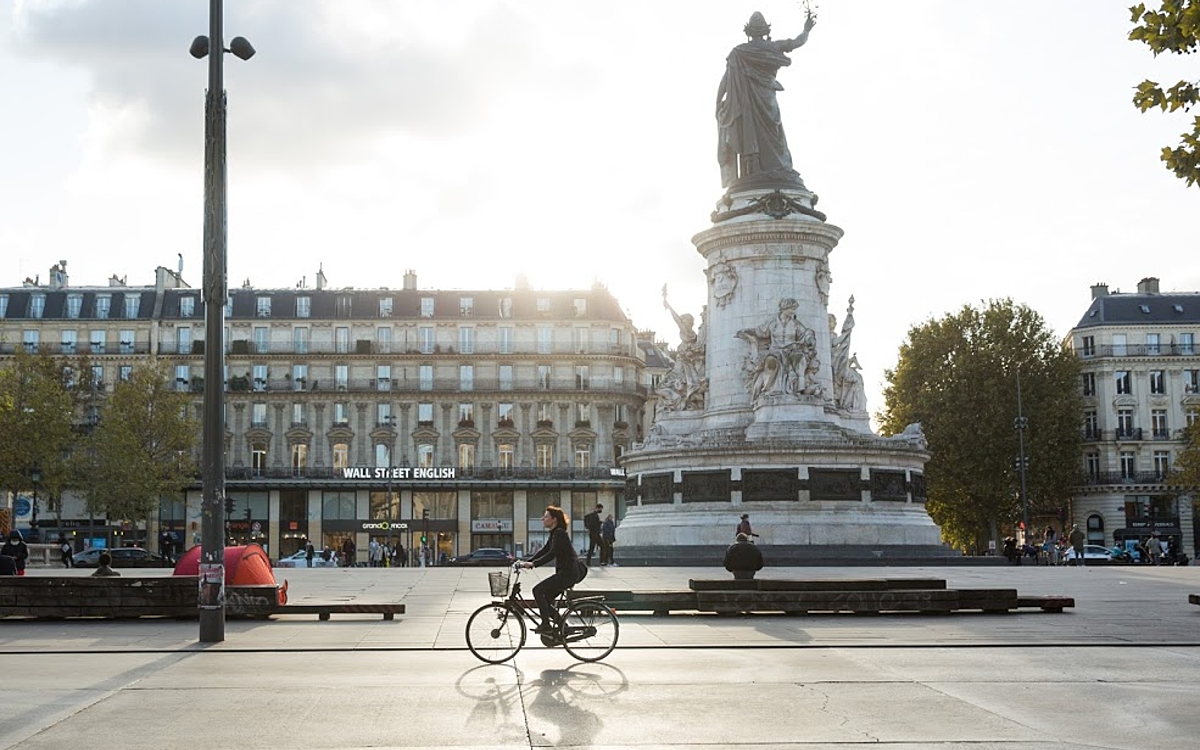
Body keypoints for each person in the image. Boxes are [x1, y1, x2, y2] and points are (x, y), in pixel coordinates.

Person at [716, 9, 817, 190]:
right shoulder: (772, 47)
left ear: (748, 32)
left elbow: (725, 81)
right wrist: (807, 29)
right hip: (768, 101)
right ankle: (778, 168)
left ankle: (754, 168)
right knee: (775, 135)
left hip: (746, 106)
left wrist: (717, 102)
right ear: (766, 31)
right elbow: (798, 41)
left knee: (750, 133)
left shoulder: (739, 52)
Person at [518, 506, 585, 635]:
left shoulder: (559, 533)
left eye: (546, 516)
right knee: (546, 601)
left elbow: (552, 553)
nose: (542, 519)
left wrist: (533, 564)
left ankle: (546, 625)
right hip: (566, 574)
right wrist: (527, 561)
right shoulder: (555, 533)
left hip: (567, 574)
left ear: (554, 519)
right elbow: (545, 550)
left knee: (537, 591)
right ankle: (562, 627)